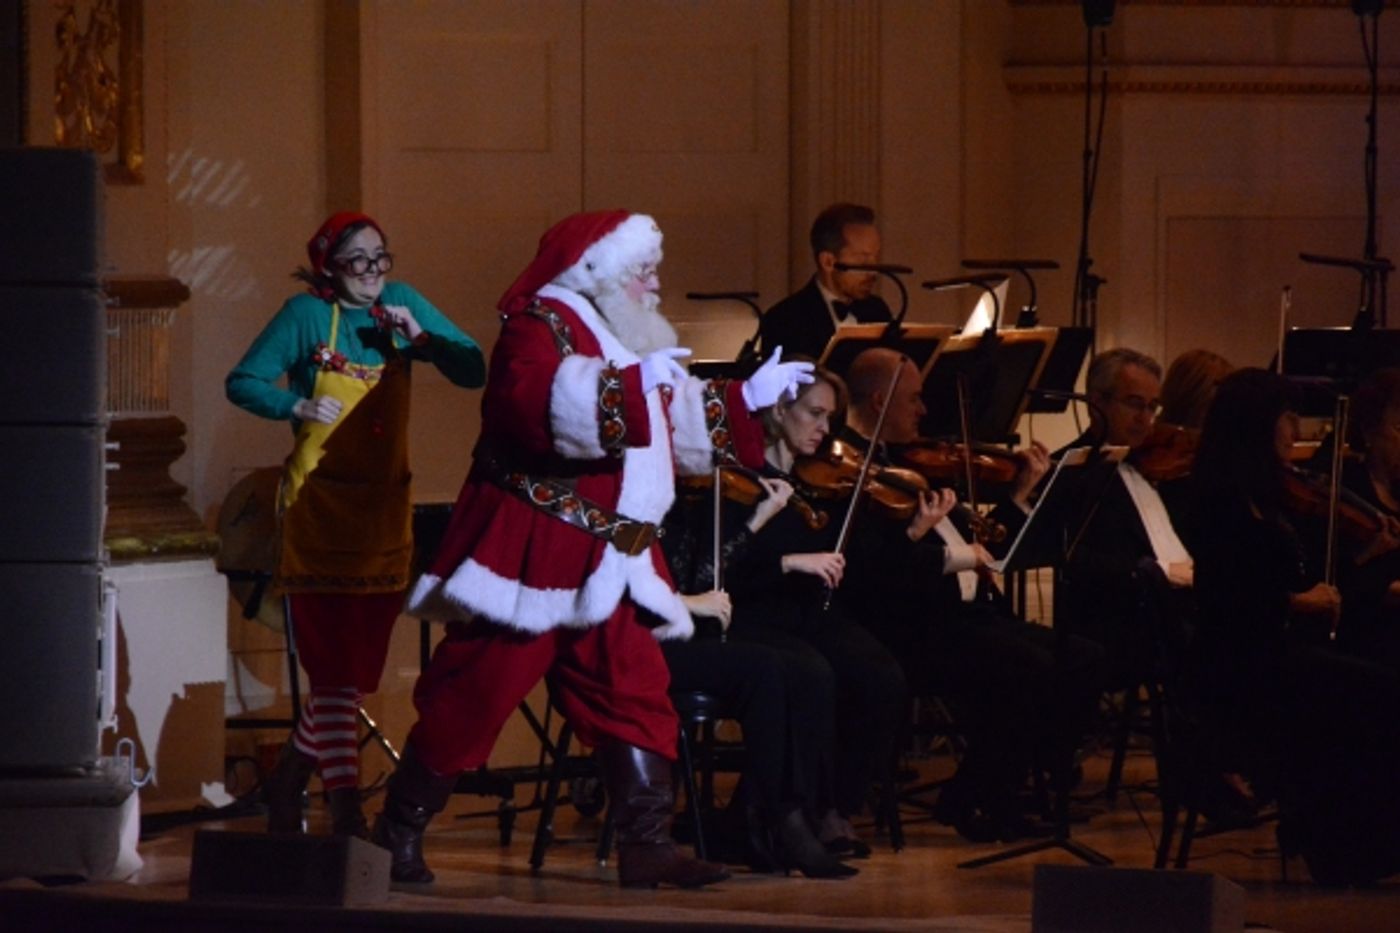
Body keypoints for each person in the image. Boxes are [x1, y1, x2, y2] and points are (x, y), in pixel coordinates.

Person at [372, 210, 814, 888]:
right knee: (478, 691)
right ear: (596, 272)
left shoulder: (621, 336)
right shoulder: (536, 326)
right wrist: (631, 389)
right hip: (538, 554)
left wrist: (744, 399)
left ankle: (647, 843)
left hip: (612, 561)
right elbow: (535, 407)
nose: (654, 281)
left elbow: (663, 420)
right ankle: (397, 830)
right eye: (643, 270)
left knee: (635, 691)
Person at [226, 211, 486, 838]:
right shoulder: (304, 316)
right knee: (335, 678)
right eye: (357, 262)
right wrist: (293, 402)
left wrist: (422, 339)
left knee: (352, 676)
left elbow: (473, 367)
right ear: (328, 267)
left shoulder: (401, 304)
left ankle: (291, 775)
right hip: (317, 510)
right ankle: (346, 810)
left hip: (380, 513)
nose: (372, 273)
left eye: (380, 258)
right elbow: (242, 381)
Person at [834, 347, 1103, 842]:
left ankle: (998, 783)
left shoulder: (912, 464)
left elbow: (987, 546)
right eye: (913, 399)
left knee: (1083, 658)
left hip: (964, 616)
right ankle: (984, 795)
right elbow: (879, 571)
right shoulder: (849, 474)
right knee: (1026, 666)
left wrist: (1020, 497)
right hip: (908, 626)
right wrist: (925, 541)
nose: (924, 411)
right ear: (879, 400)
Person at [1187, 368, 1400, 885]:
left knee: (1373, 679)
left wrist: (1361, 560)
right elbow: (1226, 602)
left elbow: (1295, 579)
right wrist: (1296, 602)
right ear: (1259, 424)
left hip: (1275, 655)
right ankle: (1348, 846)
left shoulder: (1265, 495)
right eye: (1287, 418)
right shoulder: (1221, 502)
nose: (1295, 430)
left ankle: (1345, 840)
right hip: (1241, 673)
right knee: (1380, 693)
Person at [719, 364, 909, 859]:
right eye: (814, 413)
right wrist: (787, 562)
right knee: (816, 675)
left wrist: (904, 529)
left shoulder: (822, 480)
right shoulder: (740, 477)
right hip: (755, 612)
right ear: (779, 410)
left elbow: (855, 557)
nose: (824, 428)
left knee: (882, 677)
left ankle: (836, 805)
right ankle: (788, 811)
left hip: (808, 611)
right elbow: (725, 566)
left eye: (831, 417)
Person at [658, 475, 857, 878]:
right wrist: (686, 602)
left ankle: (767, 816)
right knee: (764, 667)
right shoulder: (639, 501)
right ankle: (778, 819)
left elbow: (705, 572)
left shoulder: (686, 502)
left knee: (786, 668)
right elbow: (622, 581)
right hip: (642, 641)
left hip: (682, 632)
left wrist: (759, 517)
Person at [1054, 347, 1196, 689]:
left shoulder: (1157, 464)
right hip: (1126, 619)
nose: (1146, 418)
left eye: (1152, 407)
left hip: (1180, 607)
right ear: (1097, 402)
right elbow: (1076, 560)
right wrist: (1159, 573)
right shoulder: (1073, 471)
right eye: (1134, 404)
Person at [758, 203, 892, 362]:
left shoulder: (877, 310)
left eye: (875, 257)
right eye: (862, 260)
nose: (873, 271)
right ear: (828, 262)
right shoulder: (785, 319)